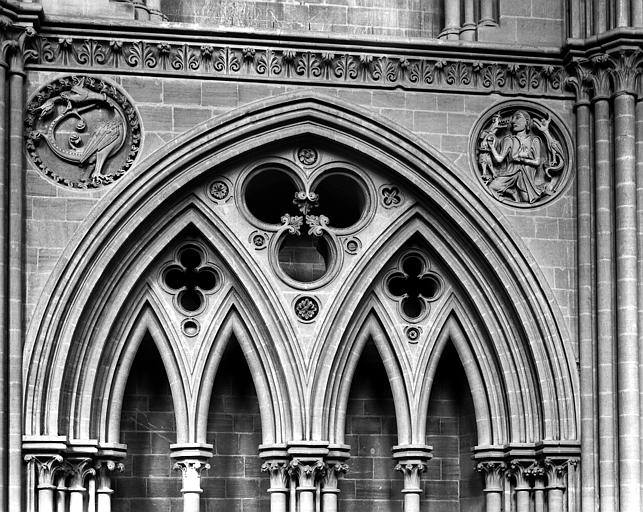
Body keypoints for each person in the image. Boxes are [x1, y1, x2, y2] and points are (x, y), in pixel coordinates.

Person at [485, 110, 544, 203]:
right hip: (510, 173)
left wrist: (522, 159)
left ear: (527, 122)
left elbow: (537, 162)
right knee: (491, 187)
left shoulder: (534, 140)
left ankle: (540, 188)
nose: (513, 121)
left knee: (526, 199)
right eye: (513, 119)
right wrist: (492, 147)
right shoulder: (508, 139)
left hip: (526, 175)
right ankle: (511, 192)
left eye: (518, 118)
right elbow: (499, 159)